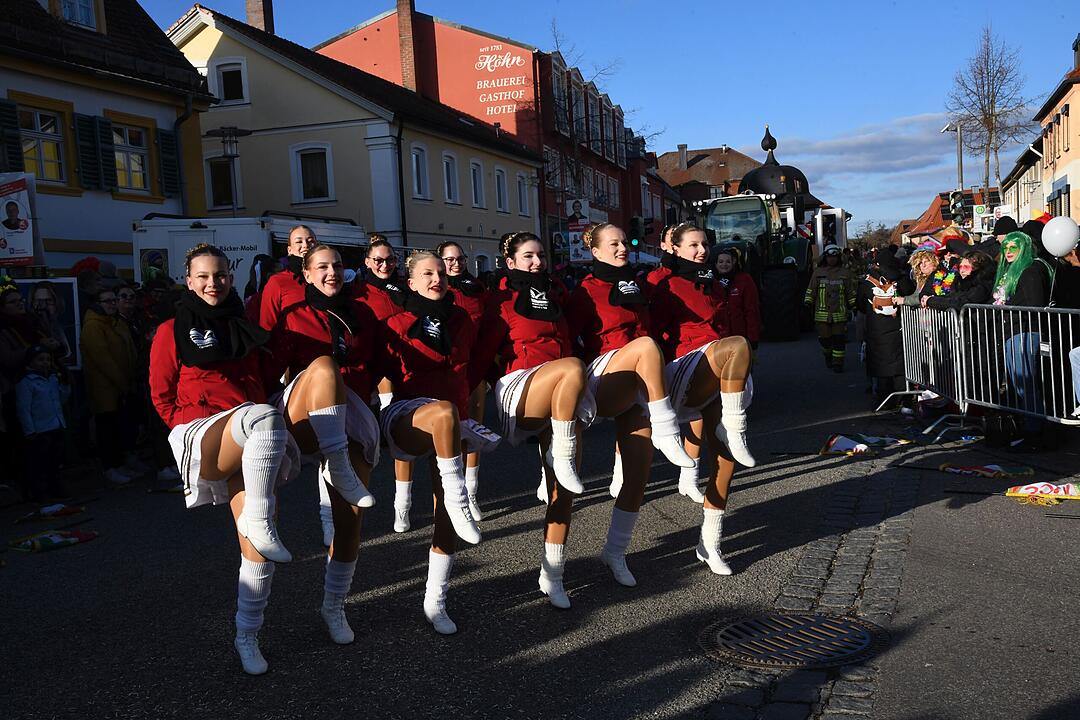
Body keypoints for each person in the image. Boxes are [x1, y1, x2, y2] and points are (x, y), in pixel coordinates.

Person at [150, 243, 298, 675]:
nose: (212, 283)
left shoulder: (244, 326)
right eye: (203, 276)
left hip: (250, 436)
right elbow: (161, 394)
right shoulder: (170, 330)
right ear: (188, 281)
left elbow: (263, 380)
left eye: (219, 275)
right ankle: (261, 516)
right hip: (203, 432)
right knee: (263, 415)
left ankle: (247, 635)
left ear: (231, 278)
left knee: (256, 549)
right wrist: (183, 426)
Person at [564, 222, 696, 591]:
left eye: (625, 242)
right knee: (646, 345)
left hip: (639, 381)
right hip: (604, 374)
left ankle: (615, 551)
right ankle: (668, 428)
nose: (622, 248)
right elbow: (565, 339)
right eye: (614, 244)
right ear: (595, 251)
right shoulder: (585, 291)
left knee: (639, 470)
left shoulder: (637, 286)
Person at [265, 242, 382, 646]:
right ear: (306, 273)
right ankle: (336, 459)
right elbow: (267, 372)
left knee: (351, 520)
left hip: (351, 413)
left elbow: (381, 364)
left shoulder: (362, 314)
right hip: (303, 413)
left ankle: (334, 605)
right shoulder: (293, 316)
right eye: (322, 267)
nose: (332, 273)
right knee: (325, 366)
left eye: (337, 266)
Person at [470, 231, 589, 609]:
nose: (537, 262)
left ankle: (553, 574)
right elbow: (482, 354)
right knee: (572, 367)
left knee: (563, 490)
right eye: (528, 257)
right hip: (521, 386)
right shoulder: (500, 301)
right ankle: (560, 452)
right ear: (510, 263)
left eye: (541, 255)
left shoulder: (555, 295)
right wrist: (462, 401)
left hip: (563, 395)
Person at [380, 251, 498, 633]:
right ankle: (456, 498)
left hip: (452, 420)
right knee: (443, 413)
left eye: (441, 274)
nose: (437, 279)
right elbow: (372, 369)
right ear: (411, 282)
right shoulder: (396, 323)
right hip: (410, 415)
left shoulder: (462, 320)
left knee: (444, 515)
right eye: (427, 274)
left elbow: (475, 365)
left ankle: (436, 599)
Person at [648, 223, 755, 576]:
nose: (702, 250)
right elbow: (653, 336)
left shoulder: (714, 283)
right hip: (685, 369)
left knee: (725, 458)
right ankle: (735, 427)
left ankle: (710, 543)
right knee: (738, 345)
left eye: (705, 243)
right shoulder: (665, 284)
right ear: (675, 249)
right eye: (693, 245)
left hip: (718, 369)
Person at [353, 236, 410, 537]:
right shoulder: (358, 293)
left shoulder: (403, 290)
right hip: (376, 366)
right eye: (378, 260)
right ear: (367, 262)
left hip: (406, 363)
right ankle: (348, 512)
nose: (385, 265)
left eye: (390, 260)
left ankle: (403, 505)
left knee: (404, 441)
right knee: (368, 446)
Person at [438, 241, 488, 522]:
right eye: (449, 259)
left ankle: (472, 493)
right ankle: (451, 492)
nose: (456, 264)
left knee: (474, 431)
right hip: (447, 368)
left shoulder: (476, 288)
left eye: (460, 258)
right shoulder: (437, 287)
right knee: (449, 431)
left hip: (474, 365)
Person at [80, 286, 140, 485]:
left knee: (119, 427)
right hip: (105, 387)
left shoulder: (116, 322)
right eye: (107, 301)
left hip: (122, 384)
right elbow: (103, 359)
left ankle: (120, 463)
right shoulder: (93, 326)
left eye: (114, 300)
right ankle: (110, 467)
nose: (112, 304)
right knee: (107, 429)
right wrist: (122, 382)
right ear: (97, 304)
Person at [856, 249, 914, 406]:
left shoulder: (867, 282)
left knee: (880, 366)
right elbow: (910, 292)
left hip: (876, 330)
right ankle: (903, 399)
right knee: (900, 365)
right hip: (899, 327)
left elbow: (860, 305)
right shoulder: (900, 279)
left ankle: (885, 400)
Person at [15, 344, 70, 500]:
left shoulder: (52, 378)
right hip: (39, 429)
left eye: (47, 359)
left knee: (55, 461)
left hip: (56, 425)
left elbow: (60, 399)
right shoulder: (26, 382)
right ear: (30, 361)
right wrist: (29, 430)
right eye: (40, 359)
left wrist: (65, 384)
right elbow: (23, 408)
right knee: (40, 463)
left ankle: (56, 489)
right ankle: (41, 493)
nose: (45, 363)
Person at [804, 245, 856, 372]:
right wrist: (807, 303)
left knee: (839, 340)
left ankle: (838, 364)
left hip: (839, 314)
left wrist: (854, 306)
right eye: (829, 257)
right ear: (825, 258)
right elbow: (811, 289)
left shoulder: (845, 273)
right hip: (822, 314)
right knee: (825, 340)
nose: (832, 259)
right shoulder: (818, 273)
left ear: (839, 258)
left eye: (834, 257)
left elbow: (850, 292)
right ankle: (828, 355)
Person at [714, 248, 760, 350]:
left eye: (728, 262)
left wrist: (752, 337)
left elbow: (751, 309)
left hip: (739, 336)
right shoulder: (711, 282)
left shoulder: (744, 280)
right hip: (718, 338)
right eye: (721, 262)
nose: (724, 264)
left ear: (733, 263)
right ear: (716, 264)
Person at [923, 251, 993, 310]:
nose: (961, 270)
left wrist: (931, 301)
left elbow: (960, 303)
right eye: (960, 267)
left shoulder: (982, 286)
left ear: (977, 268)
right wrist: (929, 299)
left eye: (966, 267)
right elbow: (951, 297)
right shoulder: (960, 283)